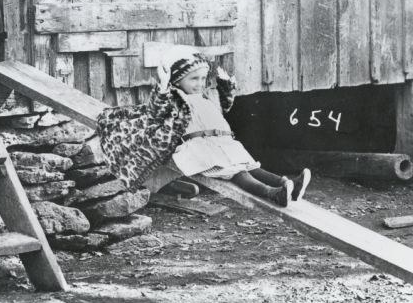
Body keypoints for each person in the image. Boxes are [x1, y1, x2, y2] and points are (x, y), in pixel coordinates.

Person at [97, 52, 310, 207]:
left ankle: (287, 184)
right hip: (198, 148)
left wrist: (226, 87)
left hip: (223, 143)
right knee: (239, 172)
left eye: (202, 79)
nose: (199, 84)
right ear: (178, 80)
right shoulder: (173, 98)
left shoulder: (205, 97)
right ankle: (272, 194)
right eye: (194, 79)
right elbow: (155, 111)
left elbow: (224, 108)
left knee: (250, 166)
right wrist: (162, 86)